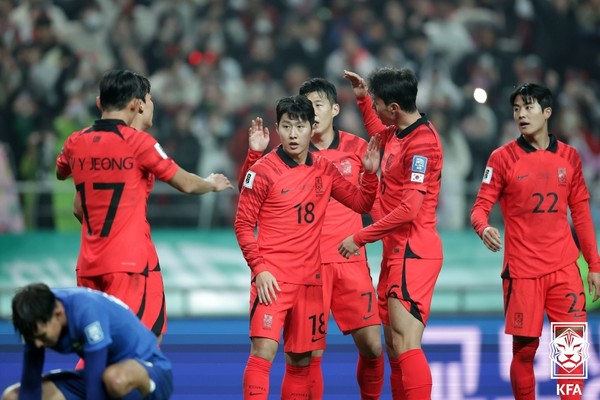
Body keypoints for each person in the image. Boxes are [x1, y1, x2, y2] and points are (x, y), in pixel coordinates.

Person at [56, 69, 233, 344]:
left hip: (89, 262)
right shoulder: (139, 144)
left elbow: (69, 187)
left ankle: (84, 386)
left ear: (99, 102)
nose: (152, 105)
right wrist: (210, 183)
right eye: (149, 99)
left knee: (95, 345)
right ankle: (69, 389)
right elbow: (186, 184)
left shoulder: (75, 142)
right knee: (137, 347)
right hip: (130, 262)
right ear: (136, 104)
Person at [237, 78, 383, 399]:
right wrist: (259, 268)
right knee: (265, 352)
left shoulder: (328, 167)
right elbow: (244, 218)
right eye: (287, 126)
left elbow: (361, 203)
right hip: (274, 276)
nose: (293, 133)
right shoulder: (264, 169)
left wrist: (370, 174)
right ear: (279, 128)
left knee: (307, 359)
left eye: (299, 126)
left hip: (316, 275)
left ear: (312, 125)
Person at [470, 83, 600, 400]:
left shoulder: (570, 157)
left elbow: (581, 215)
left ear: (547, 112)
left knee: (570, 350)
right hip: (522, 272)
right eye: (516, 109)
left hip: (565, 269)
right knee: (525, 353)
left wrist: (594, 266)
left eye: (528, 107)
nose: (521, 115)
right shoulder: (501, 159)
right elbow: (479, 208)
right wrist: (483, 227)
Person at [342, 68, 444, 400]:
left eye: (377, 102)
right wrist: (361, 100)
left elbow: (410, 209)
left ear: (395, 108)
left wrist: (361, 236)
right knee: (394, 346)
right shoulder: (398, 133)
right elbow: (378, 131)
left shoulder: (423, 144)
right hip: (396, 252)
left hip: (414, 251)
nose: (375, 106)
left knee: (406, 343)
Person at [1, 282, 173, 400]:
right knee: (13, 397)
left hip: (150, 372)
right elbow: (30, 389)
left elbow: (95, 387)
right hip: (101, 380)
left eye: (42, 337)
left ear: (58, 314)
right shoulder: (36, 322)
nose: (38, 345)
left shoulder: (87, 312)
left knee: (115, 379)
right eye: (32, 340)